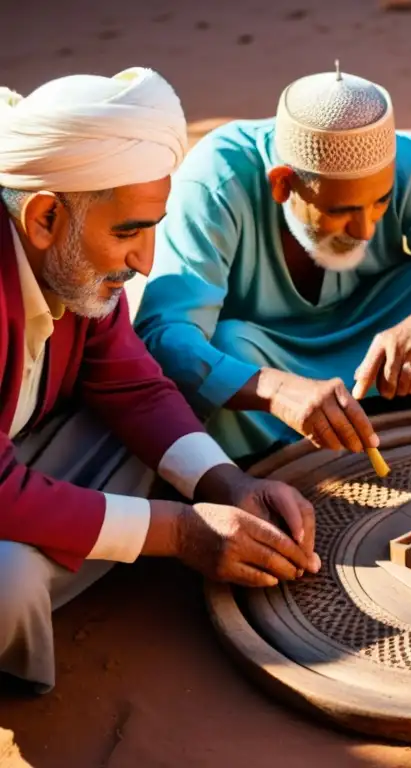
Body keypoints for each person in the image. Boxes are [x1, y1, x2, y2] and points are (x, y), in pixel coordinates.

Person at [0, 68, 321, 693]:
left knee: (180, 432)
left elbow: (132, 387)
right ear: (43, 219)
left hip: (20, 458)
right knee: (6, 586)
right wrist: (178, 532)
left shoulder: (72, 264)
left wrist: (228, 484)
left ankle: (77, 543)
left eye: (153, 228)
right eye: (128, 232)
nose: (146, 260)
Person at [135, 66, 411, 463]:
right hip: (266, 360)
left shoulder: (402, 161)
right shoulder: (215, 181)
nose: (365, 230)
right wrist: (278, 391)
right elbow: (165, 333)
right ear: (283, 184)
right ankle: (276, 461)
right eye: (341, 210)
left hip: (376, 338)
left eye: (380, 202)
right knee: (223, 347)